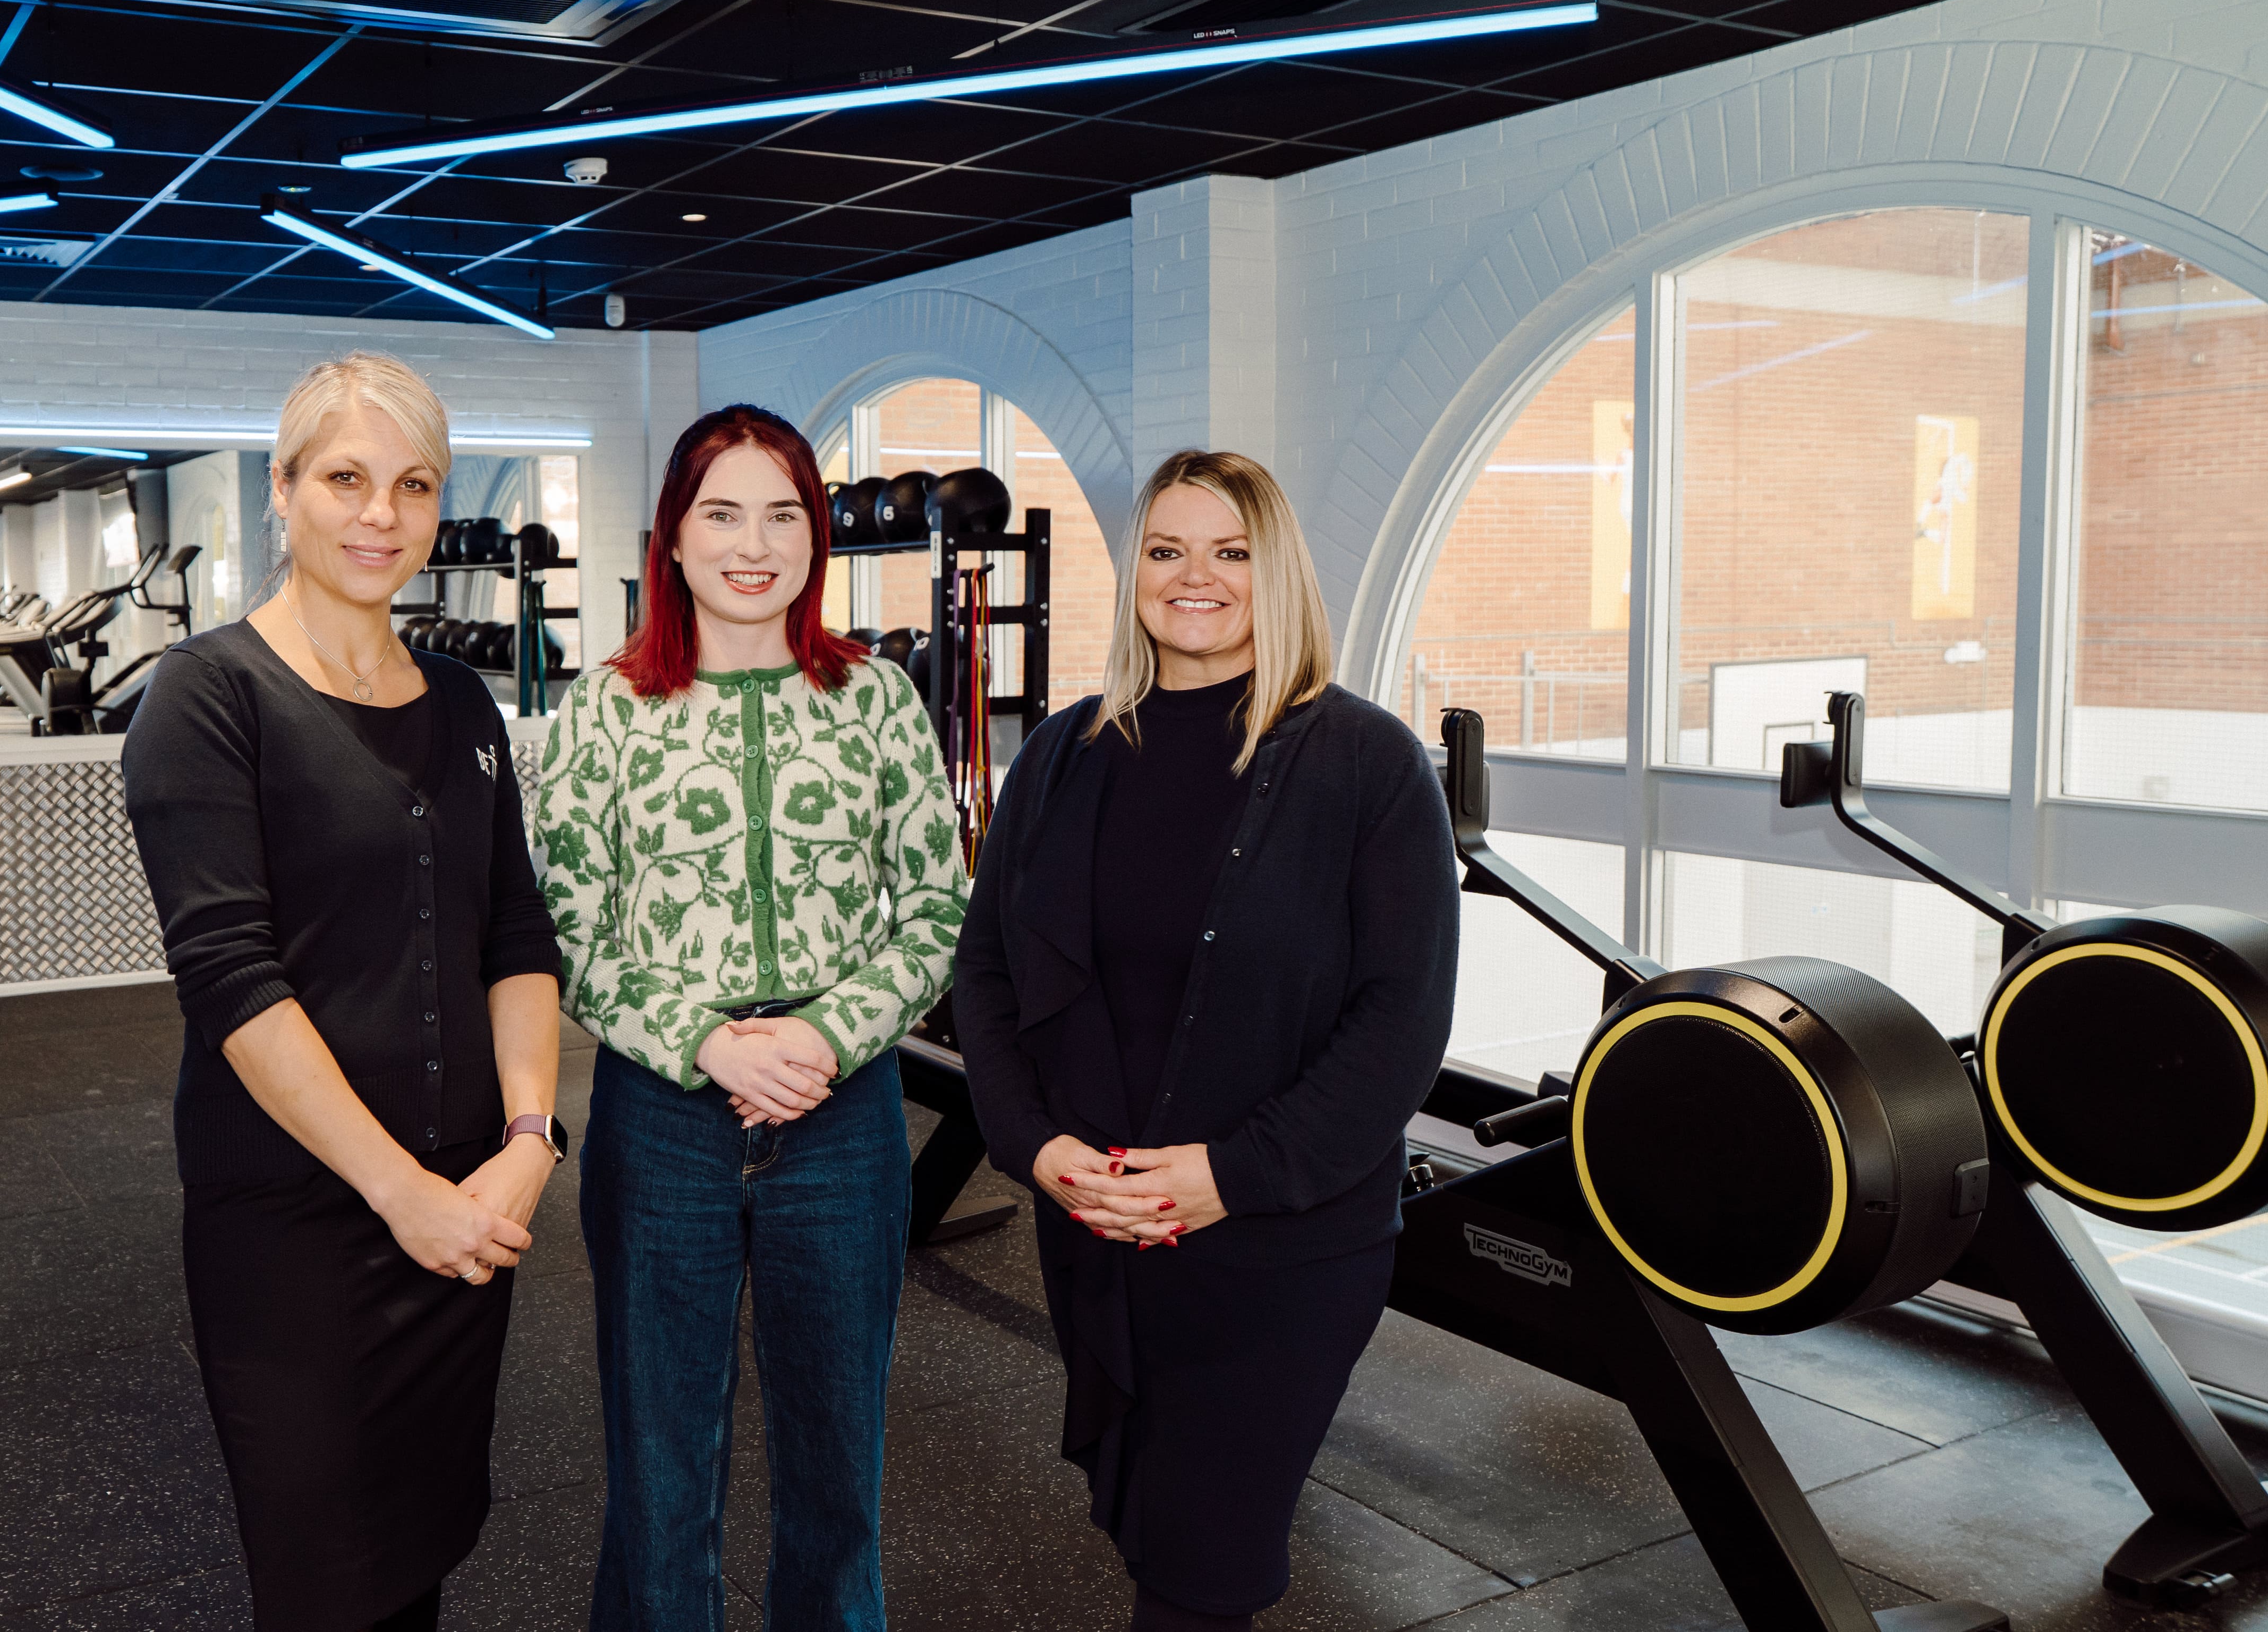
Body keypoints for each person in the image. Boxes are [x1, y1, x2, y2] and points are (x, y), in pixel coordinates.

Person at [950, 450, 1457, 1632]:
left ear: (1276, 573)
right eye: (1168, 550)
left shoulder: (1366, 761)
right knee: (1152, 1523)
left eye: (1232, 551)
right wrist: (1037, 1147)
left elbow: (1402, 1018)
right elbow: (987, 971)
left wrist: (1231, 1174)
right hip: (1097, 1224)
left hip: (1281, 1243)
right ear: (1135, 571)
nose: (1197, 576)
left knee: (1203, 1566)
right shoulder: (1063, 754)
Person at [122, 351, 564, 1632]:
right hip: (298, 1221)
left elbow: (514, 929)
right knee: (322, 1577)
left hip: (466, 1204)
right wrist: (400, 1191)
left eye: (414, 485)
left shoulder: (463, 700)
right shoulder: (208, 695)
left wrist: (530, 1138)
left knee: (417, 1558)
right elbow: (231, 976)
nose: (382, 514)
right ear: (284, 488)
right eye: (346, 479)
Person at [534, 405, 964, 1632]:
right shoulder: (607, 707)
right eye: (722, 513)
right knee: (661, 1457)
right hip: (662, 1116)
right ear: (673, 535)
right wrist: (708, 1040)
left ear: (816, 536)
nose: (754, 543)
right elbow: (569, 923)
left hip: (843, 1113)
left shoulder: (875, 698)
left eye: (783, 514)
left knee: (839, 1459)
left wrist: (827, 1036)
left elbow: (936, 904)